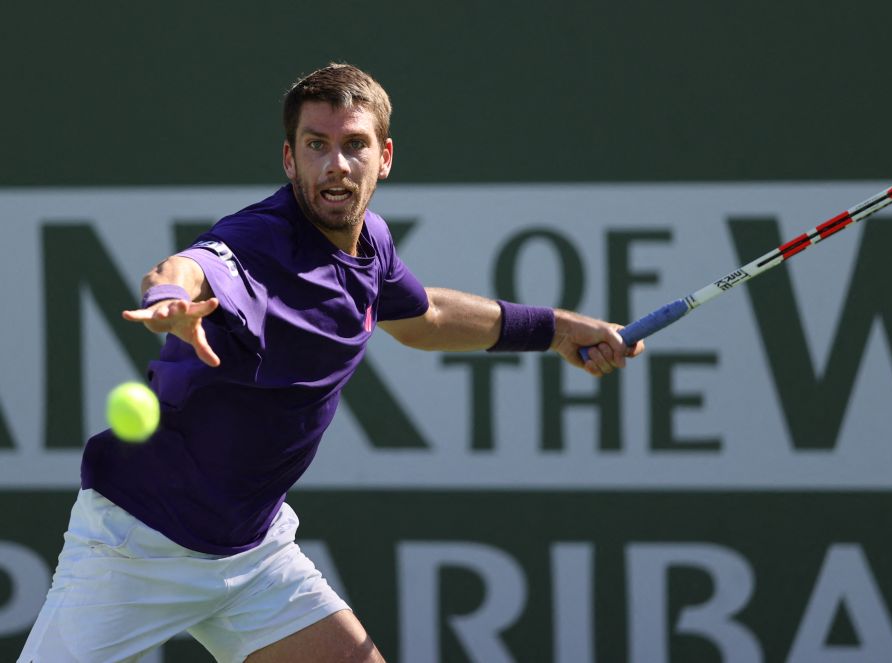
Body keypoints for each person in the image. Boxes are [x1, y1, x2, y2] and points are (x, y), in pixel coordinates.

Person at [19, 62, 642, 663]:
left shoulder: (371, 242)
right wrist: (170, 299)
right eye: (316, 145)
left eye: (354, 145)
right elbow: (190, 265)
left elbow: (422, 320)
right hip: (139, 546)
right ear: (290, 158)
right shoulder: (259, 240)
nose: (336, 165)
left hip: (252, 551)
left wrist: (557, 329)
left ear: (385, 157)